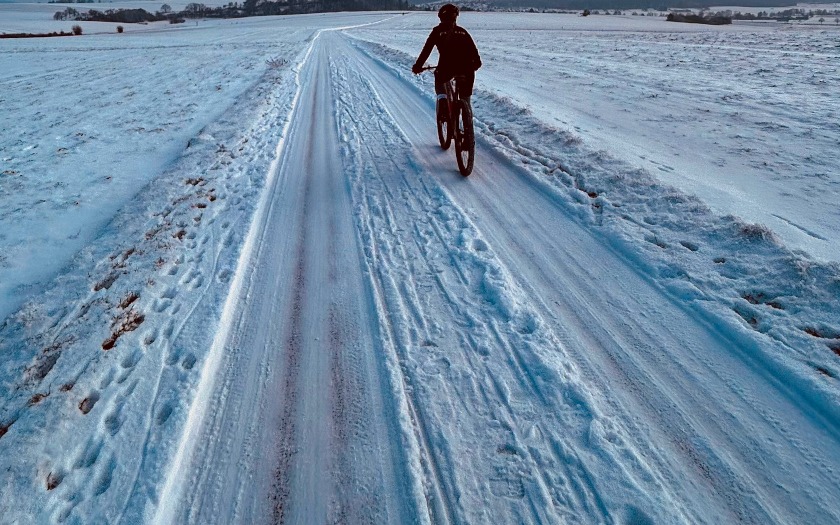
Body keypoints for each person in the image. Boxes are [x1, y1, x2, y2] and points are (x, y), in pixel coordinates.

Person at [412, 4, 482, 114]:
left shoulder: (437, 31)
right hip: (467, 68)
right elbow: (474, 52)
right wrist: (475, 65)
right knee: (465, 98)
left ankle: (443, 100)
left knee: (440, 80)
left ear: (441, 17)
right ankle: (468, 122)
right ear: (455, 17)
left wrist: (418, 66)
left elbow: (426, 50)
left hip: (446, 66)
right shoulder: (463, 32)